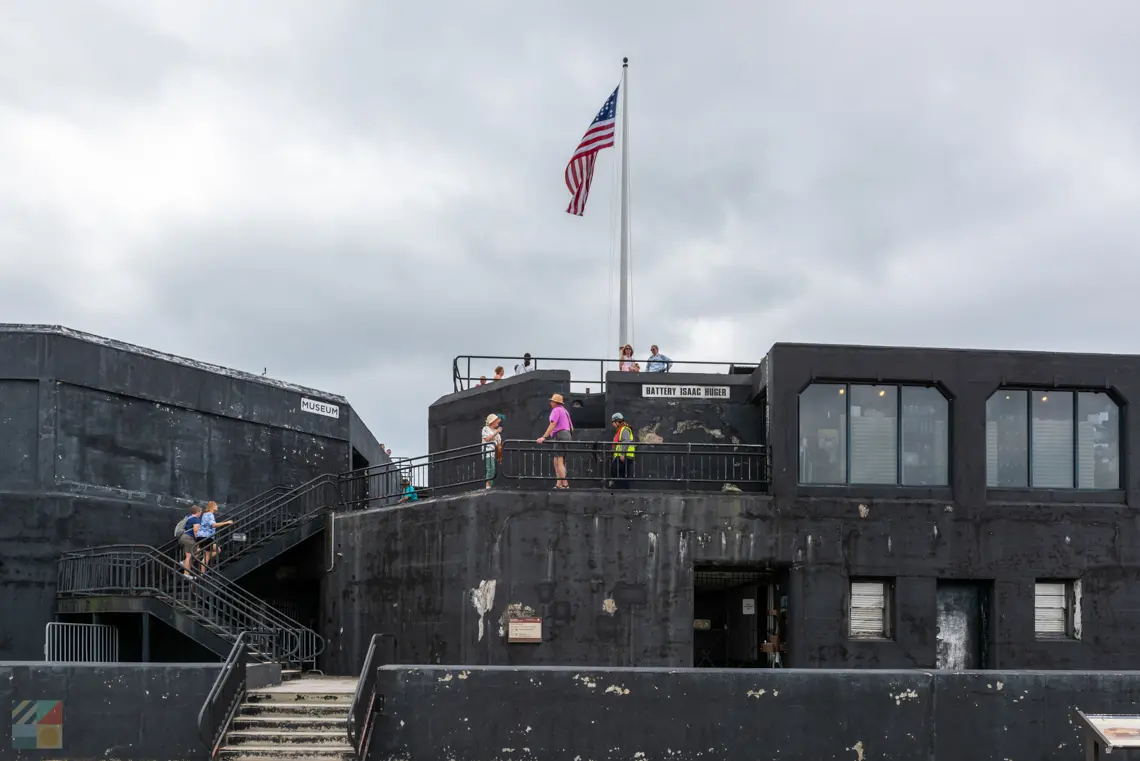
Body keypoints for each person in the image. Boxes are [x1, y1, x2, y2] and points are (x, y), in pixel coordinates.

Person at [537, 393, 573, 489]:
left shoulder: (556, 410)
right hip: (567, 435)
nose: (550, 402)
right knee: (558, 460)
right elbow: (571, 427)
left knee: (558, 461)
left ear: (555, 402)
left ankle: (565, 484)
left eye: (552, 401)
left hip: (560, 435)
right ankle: (559, 484)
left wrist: (544, 437)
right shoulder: (565, 411)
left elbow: (553, 424)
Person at [197, 501, 234, 575]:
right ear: (211, 507)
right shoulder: (210, 515)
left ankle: (202, 571)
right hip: (207, 537)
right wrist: (226, 523)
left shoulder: (205, 514)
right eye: (215, 505)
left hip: (201, 536)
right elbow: (213, 525)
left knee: (213, 552)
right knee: (212, 553)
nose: (217, 506)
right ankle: (202, 573)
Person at [609, 412, 636, 489]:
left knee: (613, 469)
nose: (613, 425)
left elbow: (626, 441)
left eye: (613, 422)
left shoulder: (624, 429)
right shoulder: (620, 430)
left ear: (617, 422)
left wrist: (623, 454)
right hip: (623, 455)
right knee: (622, 473)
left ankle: (621, 486)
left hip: (625, 456)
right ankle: (624, 488)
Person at [176, 505, 203, 579]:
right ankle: (186, 574)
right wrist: (198, 541)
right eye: (200, 512)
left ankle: (184, 562)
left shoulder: (188, 516)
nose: (201, 513)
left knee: (196, 553)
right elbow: (196, 530)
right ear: (197, 512)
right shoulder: (196, 519)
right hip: (189, 539)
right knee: (190, 556)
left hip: (183, 537)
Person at [482, 413, 503, 489]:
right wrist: (496, 432)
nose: (498, 422)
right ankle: (488, 485)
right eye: (496, 420)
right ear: (492, 421)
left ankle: (490, 485)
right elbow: (487, 439)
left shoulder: (497, 433)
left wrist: (500, 456)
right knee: (489, 468)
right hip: (488, 452)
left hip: (494, 453)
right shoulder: (485, 429)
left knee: (493, 469)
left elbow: (499, 444)